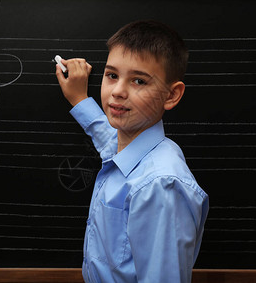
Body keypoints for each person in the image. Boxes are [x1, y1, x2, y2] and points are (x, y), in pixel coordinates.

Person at [55, 20, 209, 283]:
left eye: (139, 81)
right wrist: (80, 100)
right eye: (112, 75)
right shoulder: (133, 148)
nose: (117, 91)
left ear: (171, 96)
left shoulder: (160, 185)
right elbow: (108, 140)